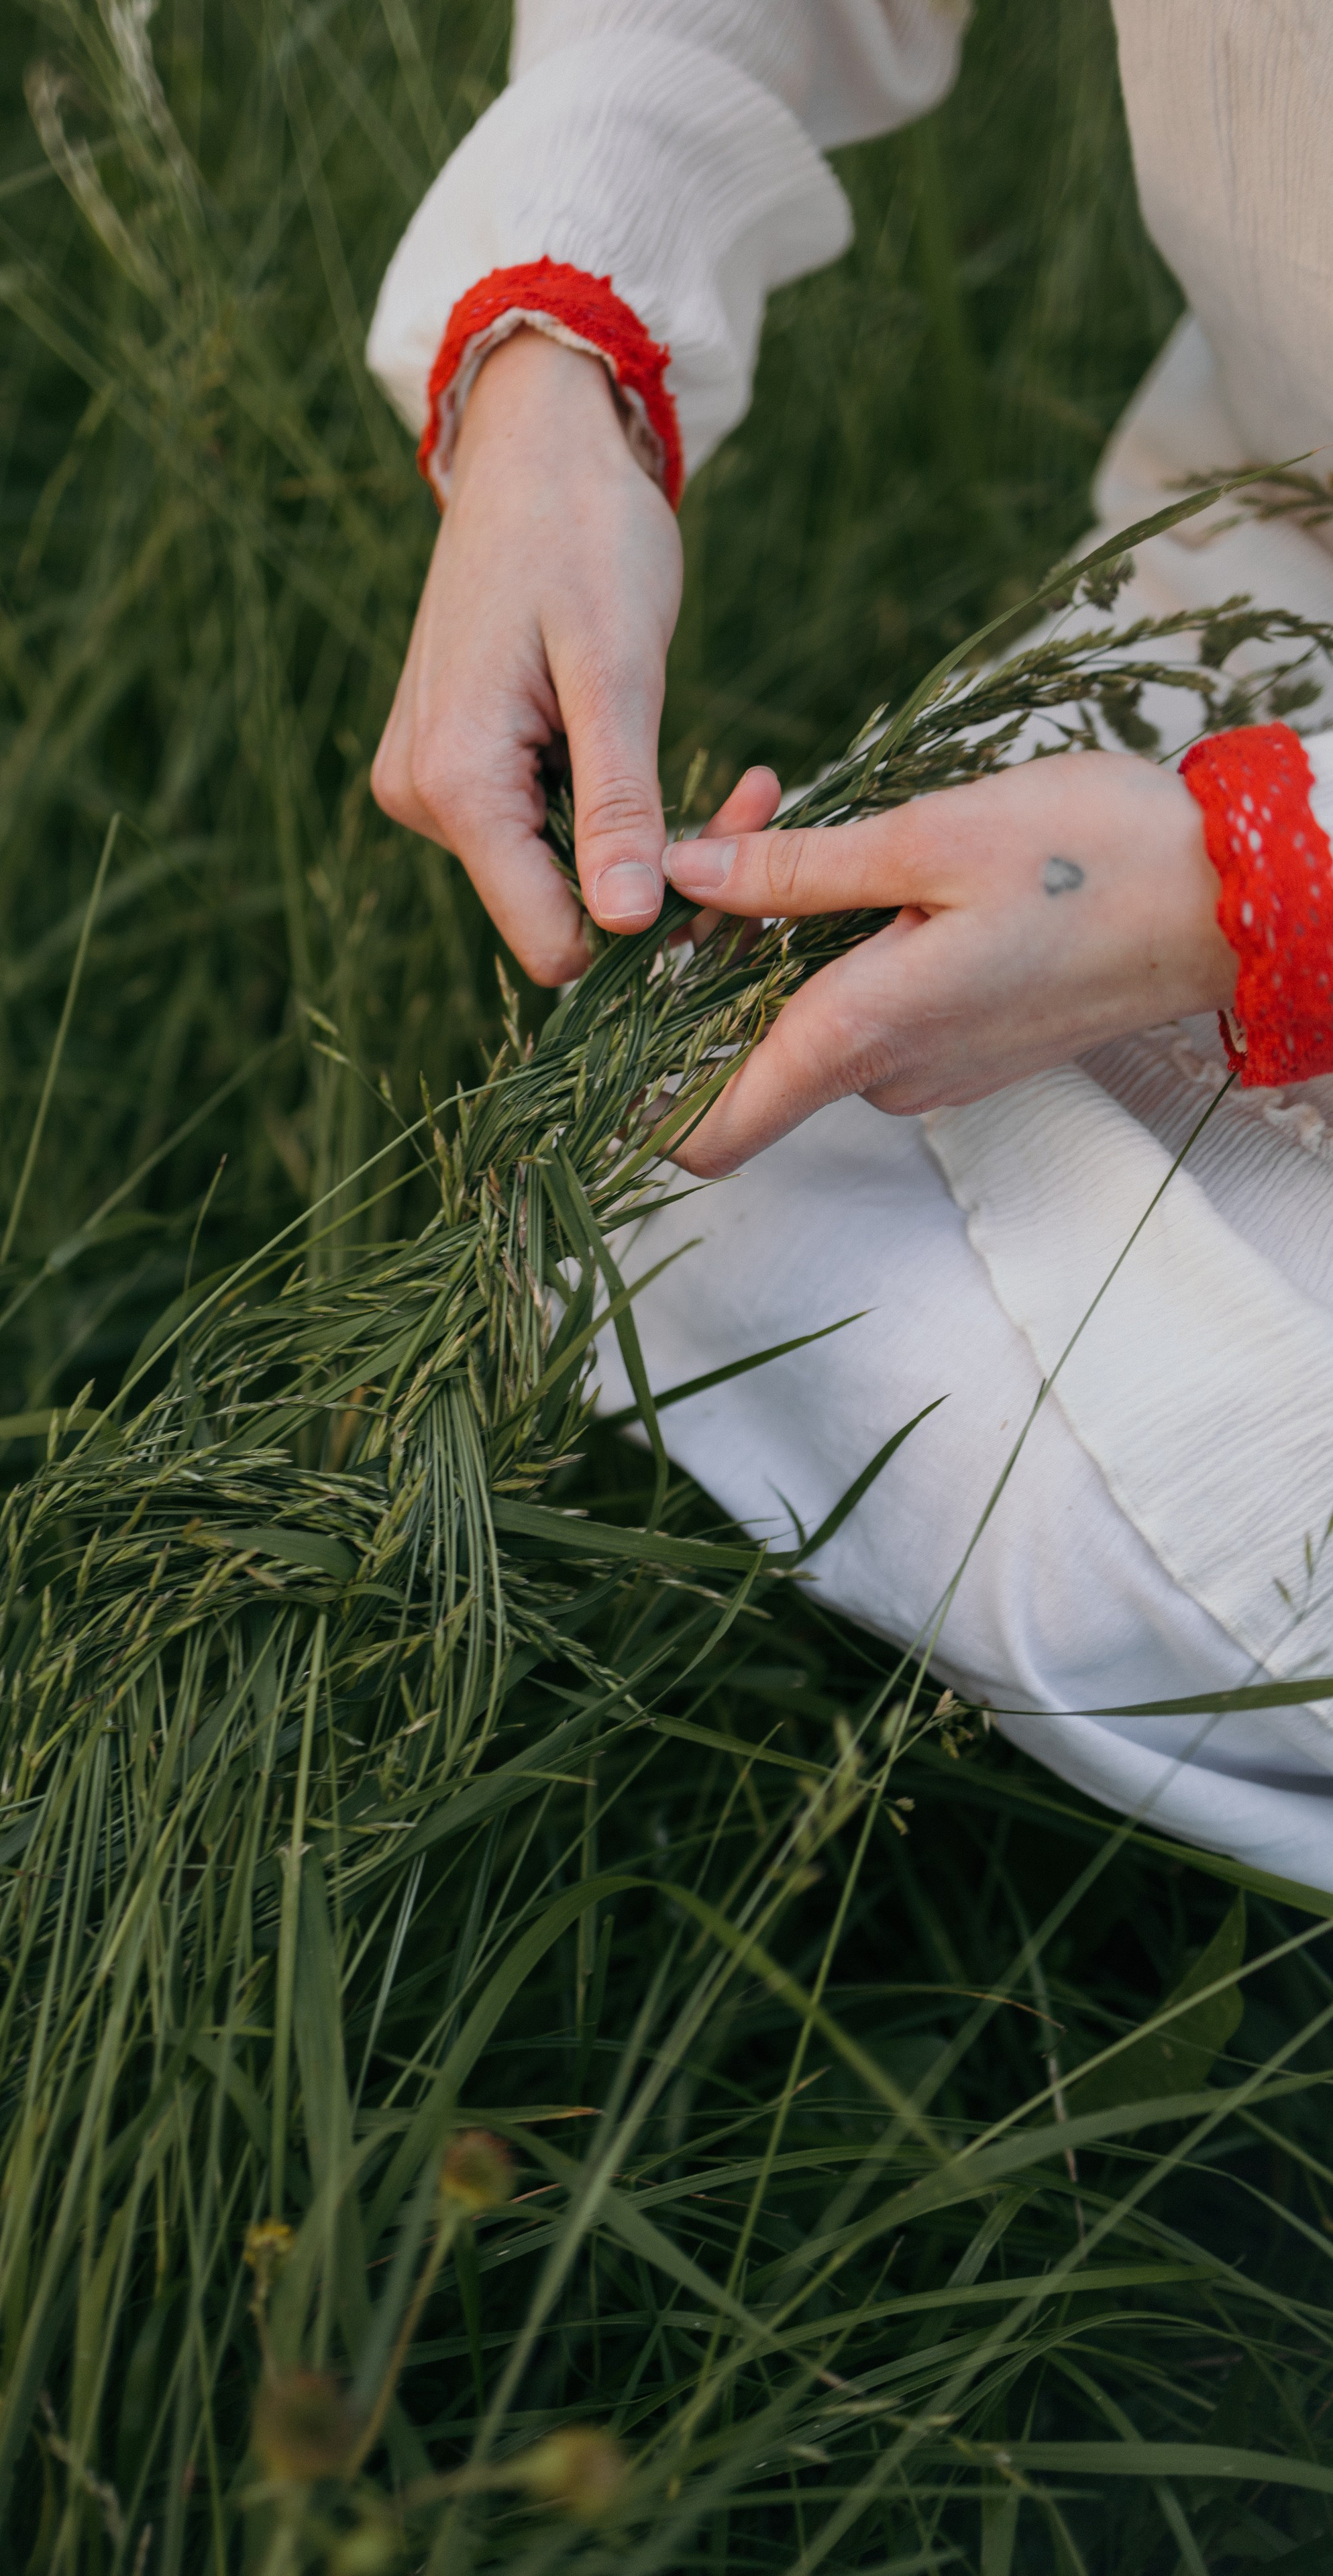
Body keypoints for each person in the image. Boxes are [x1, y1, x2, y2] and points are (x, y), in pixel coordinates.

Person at [364, 3, 1333, 1896]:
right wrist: (557, 375)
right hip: (1279, 579)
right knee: (700, 1218)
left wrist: (1255, 890)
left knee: (1174, 1558)